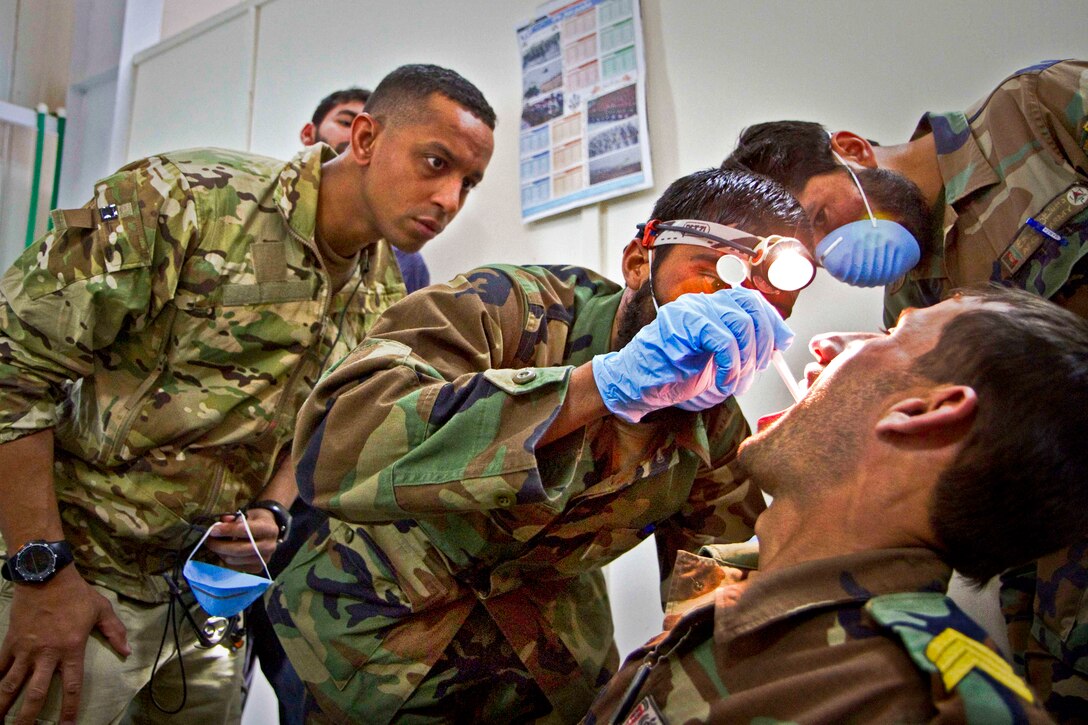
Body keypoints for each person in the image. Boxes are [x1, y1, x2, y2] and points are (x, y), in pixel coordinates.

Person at [0, 63, 494, 724]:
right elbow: (12, 368)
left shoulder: (381, 290)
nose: (450, 199)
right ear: (367, 139)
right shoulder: (187, 201)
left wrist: (273, 508)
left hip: (206, 612)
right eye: (435, 162)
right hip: (82, 585)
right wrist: (41, 571)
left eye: (469, 181)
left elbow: (319, 414)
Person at [267, 167, 814, 722]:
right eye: (713, 282)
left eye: (766, 312)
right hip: (360, 648)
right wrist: (595, 388)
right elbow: (336, 446)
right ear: (637, 262)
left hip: (546, 674)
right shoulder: (508, 309)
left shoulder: (716, 429)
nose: (733, 320)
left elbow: (721, 603)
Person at [724, 58, 1088, 720]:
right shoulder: (910, 299)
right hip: (1055, 569)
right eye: (813, 252)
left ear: (855, 151)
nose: (835, 252)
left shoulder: (1035, 110)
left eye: (823, 216)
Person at [586, 287, 1088, 724]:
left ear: (924, 413)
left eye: (891, 334)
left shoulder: (914, 702)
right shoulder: (734, 593)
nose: (825, 344)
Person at [301, 86, 431, 293]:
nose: (359, 134)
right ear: (308, 134)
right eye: (345, 122)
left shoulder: (406, 263)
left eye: (376, 130)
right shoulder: (249, 209)